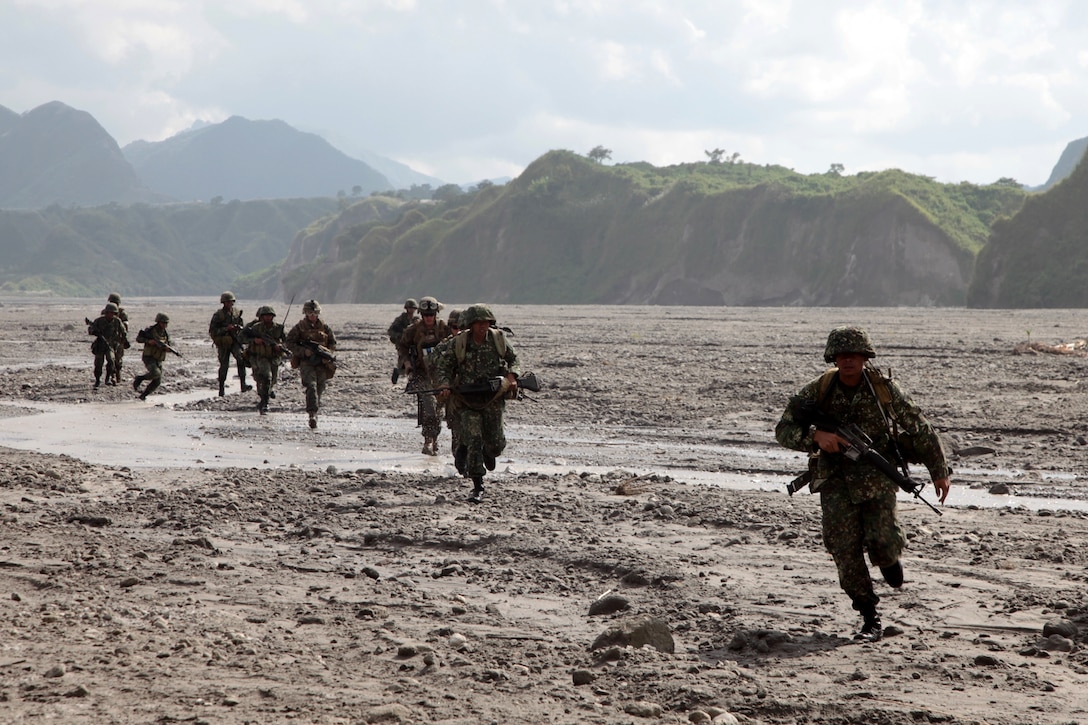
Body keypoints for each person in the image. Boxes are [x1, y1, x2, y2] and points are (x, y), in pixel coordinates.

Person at [775, 326, 951, 642]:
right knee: (844, 548)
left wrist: (939, 470)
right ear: (833, 357)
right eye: (841, 355)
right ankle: (869, 616)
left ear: (865, 357)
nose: (847, 361)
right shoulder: (819, 390)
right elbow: (784, 429)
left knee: (883, 542)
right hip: (835, 480)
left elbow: (920, 429)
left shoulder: (885, 391)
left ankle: (889, 559)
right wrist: (815, 436)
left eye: (854, 355)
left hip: (877, 477)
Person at [435, 304, 520, 503]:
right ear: (471, 324)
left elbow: (514, 358)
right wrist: (445, 384)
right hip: (467, 400)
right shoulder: (460, 342)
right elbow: (444, 365)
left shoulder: (498, 339)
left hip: (492, 399)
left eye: (487, 323)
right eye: (479, 323)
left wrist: (512, 376)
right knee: (473, 438)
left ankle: (487, 451)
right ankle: (477, 485)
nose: (483, 327)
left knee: (497, 444)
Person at [398, 296, 449, 455]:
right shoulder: (413, 330)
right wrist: (407, 365)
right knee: (429, 407)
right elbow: (402, 348)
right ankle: (428, 440)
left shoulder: (444, 328)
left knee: (439, 410)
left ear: (436, 314)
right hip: (422, 374)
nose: (428, 318)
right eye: (425, 315)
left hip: (441, 375)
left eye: (431, 315)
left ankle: (434, 438)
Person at [286, 299, 337, 429]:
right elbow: (290, 343)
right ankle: (312, 414)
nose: (313, 315)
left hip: (321, 363)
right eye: (310, 313)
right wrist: (304, 351)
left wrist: (328, 355)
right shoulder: (300, 327)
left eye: (315, 313)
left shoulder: (324, 327)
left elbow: (332, 343)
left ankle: (315, 410)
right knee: (311, 386)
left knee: (320, 387)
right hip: (306, 362)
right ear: (306, 313)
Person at [429, 309, 463, 461]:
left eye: (463, 327)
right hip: (454, 396)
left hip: (476, 396)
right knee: (457, 431)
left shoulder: (480, 344)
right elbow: (435, 367)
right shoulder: (444, 347)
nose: (459, 331)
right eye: (455, 327)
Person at [243, 305, 287, 415]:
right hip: (261, 357)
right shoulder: (256, 328)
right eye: (266, 316)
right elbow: (242, 337)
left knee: (273, 380)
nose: (268, 318)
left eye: (270, 316)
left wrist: (280, 346)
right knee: (266, 377)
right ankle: (265, 403)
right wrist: (254, 340)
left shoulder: (279, 328)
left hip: (274, 357)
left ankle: (265, 396)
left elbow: (287, 341)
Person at [209, 291, 251, 396]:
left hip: (235, 340)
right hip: (224, 342)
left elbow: (241, 326)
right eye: (228, 302)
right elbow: (213, 330)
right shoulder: (218, 315)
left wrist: (238, 328)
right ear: (223, 302)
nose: (230, 304)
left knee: (241, 359)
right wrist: (226, 329)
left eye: (231, 302)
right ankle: (221, 388)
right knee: (224, 365)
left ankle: (243, 384)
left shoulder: (236, 312)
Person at [133, 312, 174, 401]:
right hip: (149, 357)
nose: (165, 325)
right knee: (155, 373)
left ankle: (143, 396)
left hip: (158, 358)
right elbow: (139, 339)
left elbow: (168, 344)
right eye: (163, 323)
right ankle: (140, 379)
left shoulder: (165, 334)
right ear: (158, 322)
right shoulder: (150, 331)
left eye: (166, 323)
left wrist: (168, 349)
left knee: (157, 381)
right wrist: (148, 341)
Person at [87, 302, 127, 388]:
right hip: (100, 345)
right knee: (98, 363)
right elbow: (90, 329)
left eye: (113, 313)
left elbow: (123, 331)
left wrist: (124, 340)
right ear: (106, 312)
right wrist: (95, 332)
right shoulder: (99, 321)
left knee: (111, 360)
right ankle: (97, 380)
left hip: (111, 345)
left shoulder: (117, 321)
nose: (110, 315)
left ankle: (108, 378)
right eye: (109, 312)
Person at [387, 299, 419, 380]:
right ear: (406, 308)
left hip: (413, 342)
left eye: (413, 308)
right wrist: (400, 335)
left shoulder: (416, 320)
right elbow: (390, 331)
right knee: (404, 359)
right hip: (402, 343)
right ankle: (398, 371)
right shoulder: (400, 319)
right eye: (410, 308)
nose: (411, 310)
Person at [107, 292, 130, 385]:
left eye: (115, 302)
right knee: (110, 359)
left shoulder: (122, 313)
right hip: (108, 339)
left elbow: (126, 326)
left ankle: (118, 375)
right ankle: (111, 376)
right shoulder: (106, 312)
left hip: (119, 339)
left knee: (118, 359)